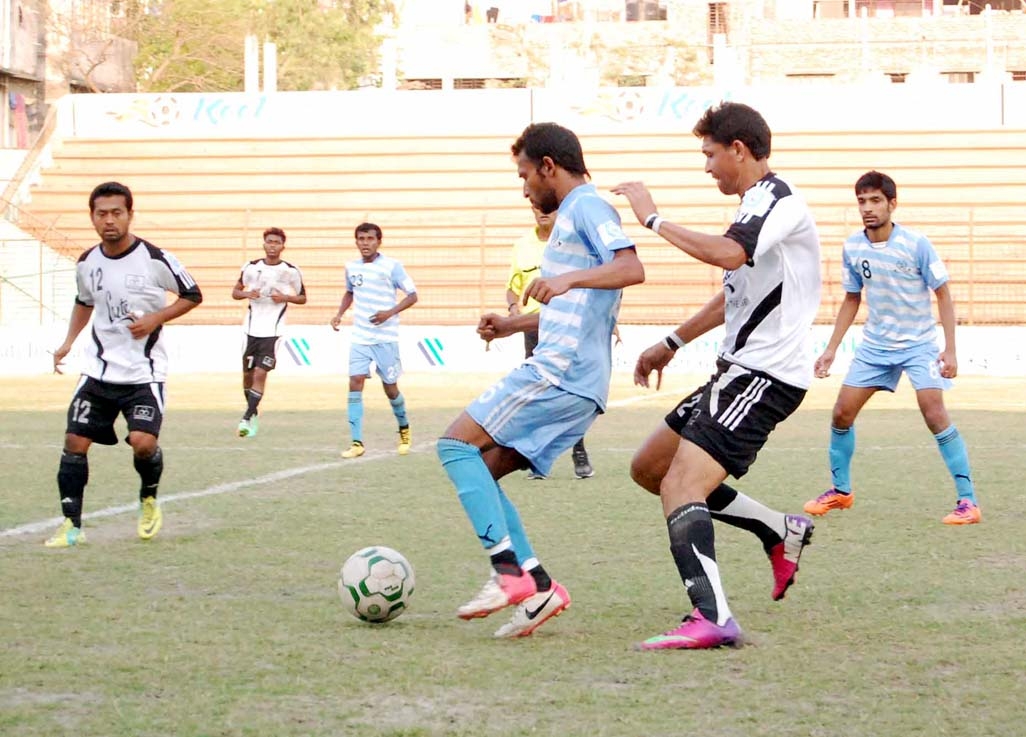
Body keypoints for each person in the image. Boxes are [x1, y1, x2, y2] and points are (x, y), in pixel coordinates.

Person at [612, 101, 819, 650]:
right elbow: (734, 295)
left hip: (766, 374)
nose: (706, 168)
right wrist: (671, 342)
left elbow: (729, 256)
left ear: (739, 150)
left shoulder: (777, 201)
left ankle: (713, 615)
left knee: (682, 483)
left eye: (709, 155)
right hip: (739, 370)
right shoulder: (755, 204)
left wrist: (652, 219)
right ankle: (778, 529)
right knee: (651, 467)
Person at [437, 122, 645, 639]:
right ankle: (540, 585)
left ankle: (508, 574)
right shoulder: (573, 220)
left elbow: (631, 267)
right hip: (578, 379)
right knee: (483, 468)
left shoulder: (587, 208)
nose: (524, 186)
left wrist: (567, 278)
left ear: (548, 167)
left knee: (454, 446)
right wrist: (514, 324)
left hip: (560, 373)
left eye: (525, 174)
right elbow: (581, 307)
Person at [804, 171, 980, 525]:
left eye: (875, 201)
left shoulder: (916, 244)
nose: (867, 208)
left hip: (918, 345)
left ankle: (968, 502)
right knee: (841, 413)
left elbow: (943, 294)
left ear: (891, 204)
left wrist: (950, 350)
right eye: (861, 201)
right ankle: (841, 491)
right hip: (875, 347)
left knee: (933, 413)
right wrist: (831, 348)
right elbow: (852, 299)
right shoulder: (853, 247)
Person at [46, 181, 203, 547]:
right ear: (93, 218)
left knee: (143, 443)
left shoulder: (154, 257)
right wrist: (69, 341)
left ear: (130, 214)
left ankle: (148, 497)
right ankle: (72, 526)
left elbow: (192, 294)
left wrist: (155, 318)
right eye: (102, 214)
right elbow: (84, 301)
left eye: (117, 212)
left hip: (143, 375)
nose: (110, 220)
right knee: (74, 441)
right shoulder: (87, 262)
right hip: (98, 372)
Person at [506, 204, 597, 479]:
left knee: (571, 390)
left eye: (548, 208)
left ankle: (578, 449)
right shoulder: (521, 245)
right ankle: (534, 455)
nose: (542, 212)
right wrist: (512, 310)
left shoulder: (571, 244)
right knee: (535, 390)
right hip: (533, 328)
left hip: (565, 326)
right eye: (537, 207)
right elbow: (513, 286)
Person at [331, 223, 418, 458]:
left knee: (390, 388)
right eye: (361, 238)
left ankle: (404, 429)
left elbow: (412, 295)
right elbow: (350, 292)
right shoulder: (351, 267)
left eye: (370, 238)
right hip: (360, 336)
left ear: (379, 241)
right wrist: (339, 313)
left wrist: (389, 313)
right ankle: (357, 442)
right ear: (356, 241)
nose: (365, 243)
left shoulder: (392, 266)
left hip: (385, 337)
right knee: (355, 381)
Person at [232, 227, 307, 438]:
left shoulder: (290, 271)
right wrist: (248, 293)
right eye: (269, 241)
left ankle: (246, 417)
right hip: (250, 329)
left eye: (277, 242)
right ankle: (253, 412)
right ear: (264, 244)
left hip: (273, 331)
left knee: (260, 372)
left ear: (283, 246)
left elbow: (302, 297)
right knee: (247, 375)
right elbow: (235, 292)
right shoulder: (251, 267)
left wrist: (285, 297)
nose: (272, 245)